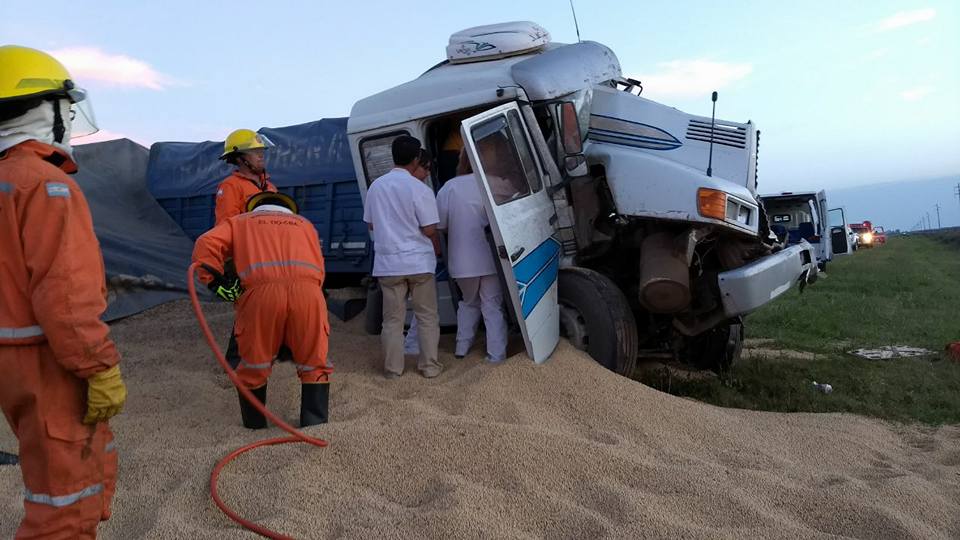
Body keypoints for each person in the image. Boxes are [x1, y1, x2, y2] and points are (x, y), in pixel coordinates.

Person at [0, 45, 127, 538]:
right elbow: (66, 296)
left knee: (49, 472)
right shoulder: (44, 184)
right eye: (67, 111)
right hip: (45, 360)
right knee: (65, 500)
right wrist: (98, 365)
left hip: (10, 358)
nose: (71, 122)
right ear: (43, 110)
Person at [193, 192, 332, 428]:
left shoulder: (240, 222)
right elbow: (319, 264)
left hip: (260, 295)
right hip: (310, 295)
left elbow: (205, 244)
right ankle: (314, 424)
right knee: (314, 361)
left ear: (255, 207)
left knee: (254, 363)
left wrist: (217, 283)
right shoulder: (306, 225)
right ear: (289, 211)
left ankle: (255, 425)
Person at [406, 149, 509, 362]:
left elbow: (439, 225)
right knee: (492, 305)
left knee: (468, 303)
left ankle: (462, 349)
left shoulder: (449, 187)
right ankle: (496, 355)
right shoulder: (496, 182)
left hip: (462, 262)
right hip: (492, 258)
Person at [364, 136, 443, 379]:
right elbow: (430, 229)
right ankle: (429, 367)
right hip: (419, 262)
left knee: (392, 321)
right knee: (427, 316)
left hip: (389, 265)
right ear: (417, 159)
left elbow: (371, 224)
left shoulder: (376, 186)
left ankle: (393, 370)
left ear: (393, 155)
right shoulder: (420, 189)